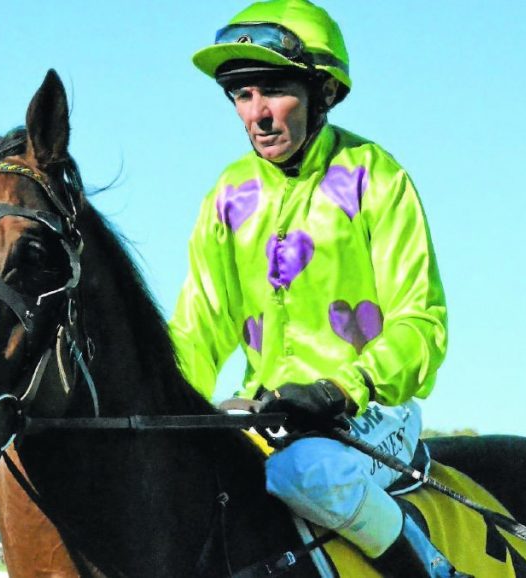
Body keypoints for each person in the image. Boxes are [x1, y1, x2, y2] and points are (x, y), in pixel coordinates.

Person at [169, 1, 466, 576]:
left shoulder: (375, 176)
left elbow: (421, 323)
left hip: (371, 410)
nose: (257, 114)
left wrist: (339, 389)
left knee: (303, 472)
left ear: (323, 92)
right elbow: (197, 328)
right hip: (267, 414)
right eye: (241, 95)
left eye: (275, 91)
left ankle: (435, 570)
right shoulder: (228, 193)